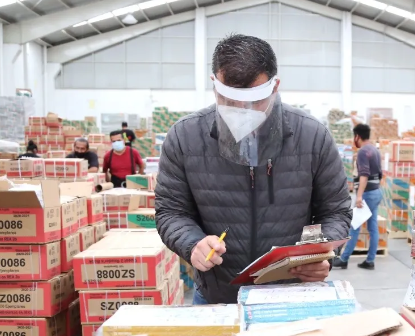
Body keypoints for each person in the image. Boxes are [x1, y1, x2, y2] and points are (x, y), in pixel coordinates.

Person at [155, 34, 351, 305]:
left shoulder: (312, 136)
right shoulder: (185, 137)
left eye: (255, 101)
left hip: (292, 298)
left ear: (274, 86)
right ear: (214, 85)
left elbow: (336, 211)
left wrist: (319, 256)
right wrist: (193, 244)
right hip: (217, 297)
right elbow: (171, 211)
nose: (243, 112)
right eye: (231, 101)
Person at [332, 124, 382, 270]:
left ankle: (344, 259)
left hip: (367, 194)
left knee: (354, 226)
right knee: (373, 227)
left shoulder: (363, 152)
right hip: (377, 192)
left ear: (357, 136)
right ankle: (370, 260)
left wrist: (359, 196)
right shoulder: (374, 150)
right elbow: (379, 174)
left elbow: (364, 175)